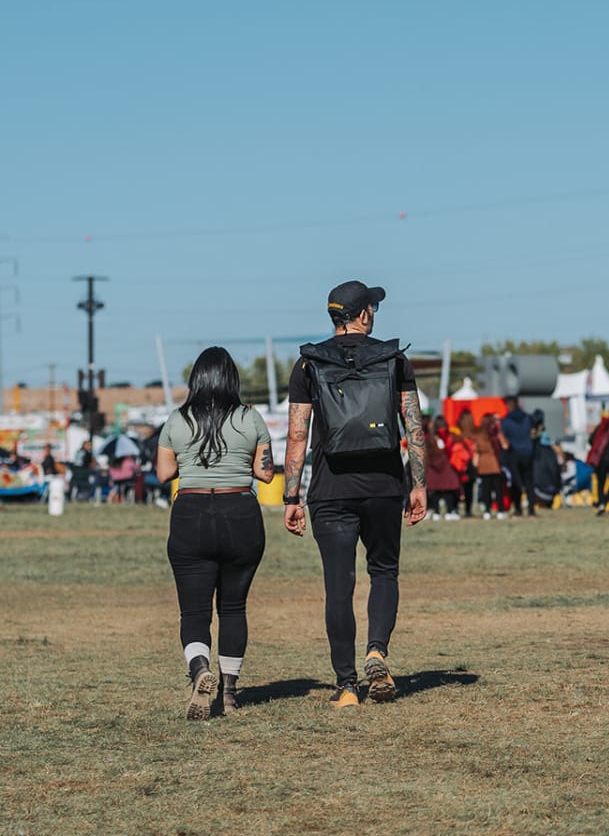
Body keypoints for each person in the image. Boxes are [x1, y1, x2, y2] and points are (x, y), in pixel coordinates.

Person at [283, 281, 427, 708]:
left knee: (338, 587)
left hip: (330, 490)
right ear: (363, 314)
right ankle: (377, 651)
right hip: (384, 485)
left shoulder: (308, 365)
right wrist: (418, 483)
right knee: (384, 571)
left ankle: (346, 687)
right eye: (373, 309)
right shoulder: (393, 358)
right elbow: (413, 427)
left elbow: (297, 436)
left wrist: (291, 497)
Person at [156, 347, 275, 719]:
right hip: (239, 511)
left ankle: (199, 671)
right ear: (231, 379)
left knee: (194, 611)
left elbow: (163, 473)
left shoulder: (177, 419)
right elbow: (266, 473)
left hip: (190, 513)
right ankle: (228, 692)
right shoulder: (250, 418)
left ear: (196, 379)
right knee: (233, 607)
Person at [499, 396, 537, 517]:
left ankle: (518, 509)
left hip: (514, 454)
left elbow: (504, 440)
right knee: (529, 482)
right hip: (528, 453)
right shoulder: (527, 418)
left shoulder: (506, 421)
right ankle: (531, 510)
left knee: (516, 483)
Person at [425, 416, 463, 519]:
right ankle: (449, 512)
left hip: (433, 467)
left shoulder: (430, 438)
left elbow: (427, 453)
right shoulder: (449, 436)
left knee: (435, 491)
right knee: (448, 491)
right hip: (447, 467)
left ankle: (436, 512)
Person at [473, 412, 504, 518]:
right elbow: (503, 446)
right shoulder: (494, 433)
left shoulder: (479, 434)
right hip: (494, 463)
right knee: (497, 489)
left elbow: (476, 449)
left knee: (486, 490)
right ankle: (500, 510)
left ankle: (487, 510)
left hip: (483, 464)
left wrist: (475, 464)